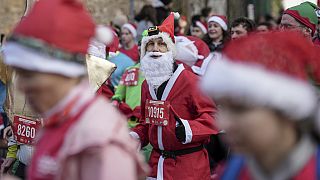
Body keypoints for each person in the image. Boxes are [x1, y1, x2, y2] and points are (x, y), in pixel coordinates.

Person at [3, 0, 148, 179]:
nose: (21, 86)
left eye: (30, 74)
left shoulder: (99, 140)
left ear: (63, 71)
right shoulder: (56, 120)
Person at [201, 31, 320, 180]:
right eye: (222, 108)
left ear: (287, 111)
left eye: (239, 108)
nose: (222, 123)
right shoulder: (231, 171)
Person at [130, 13, 218, 180]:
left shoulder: (191, 82)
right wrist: (136, 136)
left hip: (187, 167)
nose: (155, 49)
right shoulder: (146, 85)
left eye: (161, 44)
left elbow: (212, 117)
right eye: (150, 45)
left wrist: (189, 129)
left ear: (170, 49)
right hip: (156, 166)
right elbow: (147, 123)